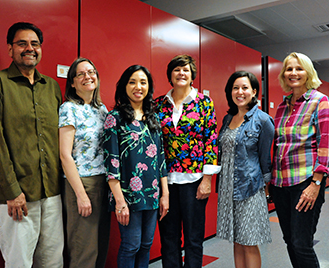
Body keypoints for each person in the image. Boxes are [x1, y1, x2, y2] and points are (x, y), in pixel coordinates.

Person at [0, 22, 63, 267]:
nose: (29, 48)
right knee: (19, 262)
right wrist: (12, 192)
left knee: (52, 261)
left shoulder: (52, 87)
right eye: (22, 43)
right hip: (16, 195)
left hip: (51, 192)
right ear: (10, 49)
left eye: (35, 43)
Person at [270, 52, 329, 268]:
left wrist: (316, 183)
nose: (293, 73)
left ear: (308, 73)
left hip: (305, 182)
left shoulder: (320, 101)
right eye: (289, 69)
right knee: (290, 241)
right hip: (280, 184)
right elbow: (279, 143)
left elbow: (325, 143)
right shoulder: (282, 106)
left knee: (301, 242)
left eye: (299, 68)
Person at [155, 54, 221, 268]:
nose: (181, 73)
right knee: (169, 238)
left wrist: (207, 179)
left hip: (194, 180)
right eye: (176, 69)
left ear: (192, 75)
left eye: (185, 69)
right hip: (166, 182)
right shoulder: (159, 104)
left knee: (194, 238)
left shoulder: (203, 103)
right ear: (170, 75)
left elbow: (211, 140)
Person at [103, 65, 169, 268]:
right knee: (131, 245)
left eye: (143, 82)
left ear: (149, 87)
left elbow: (160, 159)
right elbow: (111, 163)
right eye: (132, 82)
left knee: (146, 244)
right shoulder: (115, 118)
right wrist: (120, 202)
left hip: (152, 194)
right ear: (124, 86)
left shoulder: (153, 118)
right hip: (127, 195)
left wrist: (165, 194)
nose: (138, 87)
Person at [217, 71, 274, 268]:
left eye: (244, 87)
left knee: (250, 242)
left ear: (254, 91)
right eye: (235, 88)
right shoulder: (228, 118)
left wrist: (266, 188)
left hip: (249, 188)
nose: (239, 92)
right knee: (237, 240)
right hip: (227, 188)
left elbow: (265, 158)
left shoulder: (263, 120)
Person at [59, 57, 110, 268]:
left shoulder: (102, 109)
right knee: (83, 250)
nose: (87, 77)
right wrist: (81, 195)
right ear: (72, 82)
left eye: (91, 72)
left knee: (100, 245)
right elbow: (64, 155)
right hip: (81, 184)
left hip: (102, 182)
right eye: (81, 74)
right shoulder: (68, 108)